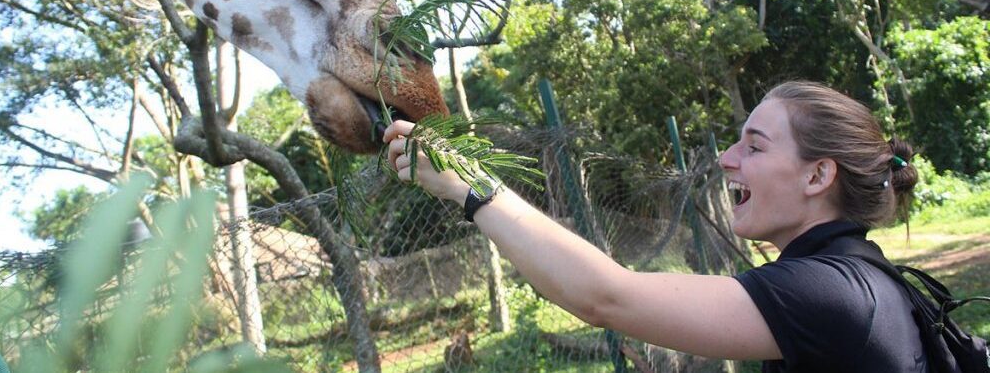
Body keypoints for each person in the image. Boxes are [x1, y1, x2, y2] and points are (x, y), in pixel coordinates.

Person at [383, 80, 926, 372]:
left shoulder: (827, 291)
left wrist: (469, 186)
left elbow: (607, 298)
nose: (727, 159)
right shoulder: (859, 273)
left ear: (818, 175)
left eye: (754, 145)